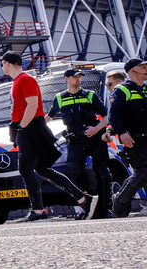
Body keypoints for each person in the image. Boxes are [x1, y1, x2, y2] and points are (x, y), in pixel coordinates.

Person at [0, 52, 96, 222]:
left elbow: (33, 104)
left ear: (8, 63)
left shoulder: (25, 79)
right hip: (26, 127)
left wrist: (22, 127)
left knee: (25, 169)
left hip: (29, 128)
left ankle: (37, 210)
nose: (1, 66)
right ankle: (83, 199)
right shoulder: (17, 81)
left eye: (2, 63)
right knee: (42, 170)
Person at [46, 68, 112, 218]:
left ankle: (105, 209)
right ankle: (85, 206)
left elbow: (107, 116)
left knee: (103, 173)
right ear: (66, 79)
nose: (78, 79)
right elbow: (48, 118)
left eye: (79, 77)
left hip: (95, 138)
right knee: (73, 172)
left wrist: (96, 129)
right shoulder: (60, 97)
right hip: (75, 140)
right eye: (75, 77)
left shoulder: (90, 95)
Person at [110, 58, 147, 217]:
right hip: (134, 139)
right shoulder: (121, 90)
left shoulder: (144, 89)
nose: (146, 68)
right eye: (143, 67)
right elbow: (113, 115)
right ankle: (119, 201)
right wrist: (122, 133)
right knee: (143, 172)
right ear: (133, 71)